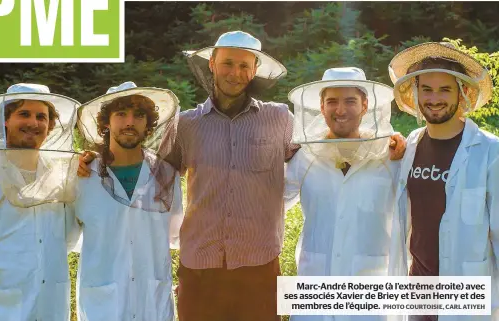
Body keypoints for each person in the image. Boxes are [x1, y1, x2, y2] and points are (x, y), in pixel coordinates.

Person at [77, 30, 406, 321]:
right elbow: (152, 169)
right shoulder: (187, 125)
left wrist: (385, 142)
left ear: (254, 70)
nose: (235, 73)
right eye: (228, 64)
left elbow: (322, 149)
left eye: (244, 65)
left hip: (259, 264)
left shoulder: (280, 119)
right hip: (200, 264)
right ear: (212, 65)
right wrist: (97, 155)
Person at [388, 42, 499, 321]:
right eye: (426, 89)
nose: (434, 98)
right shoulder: (410, 144)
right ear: (415, 93)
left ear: (462, 94)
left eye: (445, 89)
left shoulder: (489, 151)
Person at [285, 67, 401, 321]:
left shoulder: (390, 156)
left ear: (365, 105)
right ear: (321, 106)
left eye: (350, 101)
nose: (340, 110)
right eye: (332, 101)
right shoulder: (304, 157)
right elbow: (271, 203)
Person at [0, 83, 81, 321]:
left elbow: (68, 240)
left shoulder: (63, 179)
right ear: (5, 120)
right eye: (24, 114)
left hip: (50, 308)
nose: (33, 123)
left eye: (42, 116)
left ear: (50, 126)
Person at [73, 81, 183, 321]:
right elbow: (69, 239)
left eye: (139, 115)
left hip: (152, 302)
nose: (130, 122)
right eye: (121, 114)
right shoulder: (81, 174)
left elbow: (175, 236)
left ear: (148, 124)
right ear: (106, 122)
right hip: (102, 305)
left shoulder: (166, 174)